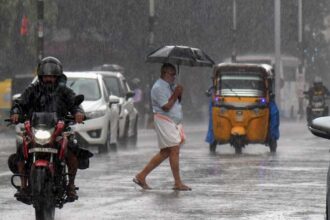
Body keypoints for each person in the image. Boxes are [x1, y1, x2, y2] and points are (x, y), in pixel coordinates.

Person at [10, 56, 85, 201]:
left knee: (72, 148)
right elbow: (20, 103)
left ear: (57, 77)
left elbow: (75, 104)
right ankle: (24, 185)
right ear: (40, 76)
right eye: (45, 76)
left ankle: (71, 185)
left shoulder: (64, 91)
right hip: (35, 130)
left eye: (52, 76)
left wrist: (78, 113)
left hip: (59, 131)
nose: (48, 79)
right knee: (21, 148)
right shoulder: (32, 89)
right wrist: (15, 113)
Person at [133, 63, 191, 191]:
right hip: (165, 120)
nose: (174, 77)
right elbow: (166, 106)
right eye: (172, 74)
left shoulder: (170, 86)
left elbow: (175, 102)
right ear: (164, 73)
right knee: (174, 150)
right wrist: (176, 94)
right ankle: (177, 182)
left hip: (172, 121)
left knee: (166, 152)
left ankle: (141, 176)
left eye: (175, 74)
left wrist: (178, 93)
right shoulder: (158, 87)